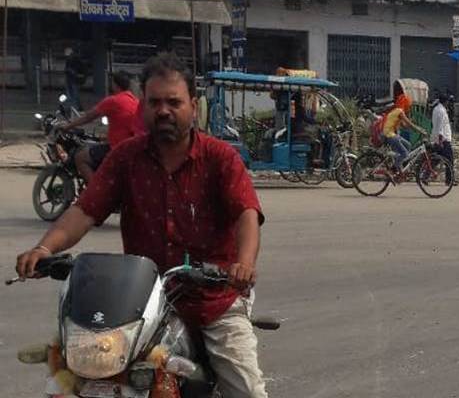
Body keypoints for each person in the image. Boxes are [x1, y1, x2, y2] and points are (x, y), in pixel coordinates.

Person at [14, 53, 269, 398]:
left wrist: (244, 264)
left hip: (214, 298)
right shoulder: (125, 157)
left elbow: (246, 213)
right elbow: (85, 210)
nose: (164, 110)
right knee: (83, 373)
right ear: (143, 107)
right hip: (143, 303)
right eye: (155, 102)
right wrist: (45, 248)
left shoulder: (219, 158)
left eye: (174, 102)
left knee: (247, 390)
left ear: (193, 106)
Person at [60, 70, 144, 184]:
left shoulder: (113, 101)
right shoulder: (135, 101)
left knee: (80, 157)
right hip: (131, 148)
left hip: (117, 149)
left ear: (114, 84)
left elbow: (89, 117)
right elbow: (124, 125)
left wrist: (68, 126)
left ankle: (94, 191)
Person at [430, 94, 454, 183]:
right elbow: (440, 126)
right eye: (448, 101)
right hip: (443, 139)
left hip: (438, 138)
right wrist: (440, 140)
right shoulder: (441, 111)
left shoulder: (437, 109)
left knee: (436, 159)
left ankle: (424, 176)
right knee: (449, 159)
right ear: (445, 102)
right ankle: (449, 180)